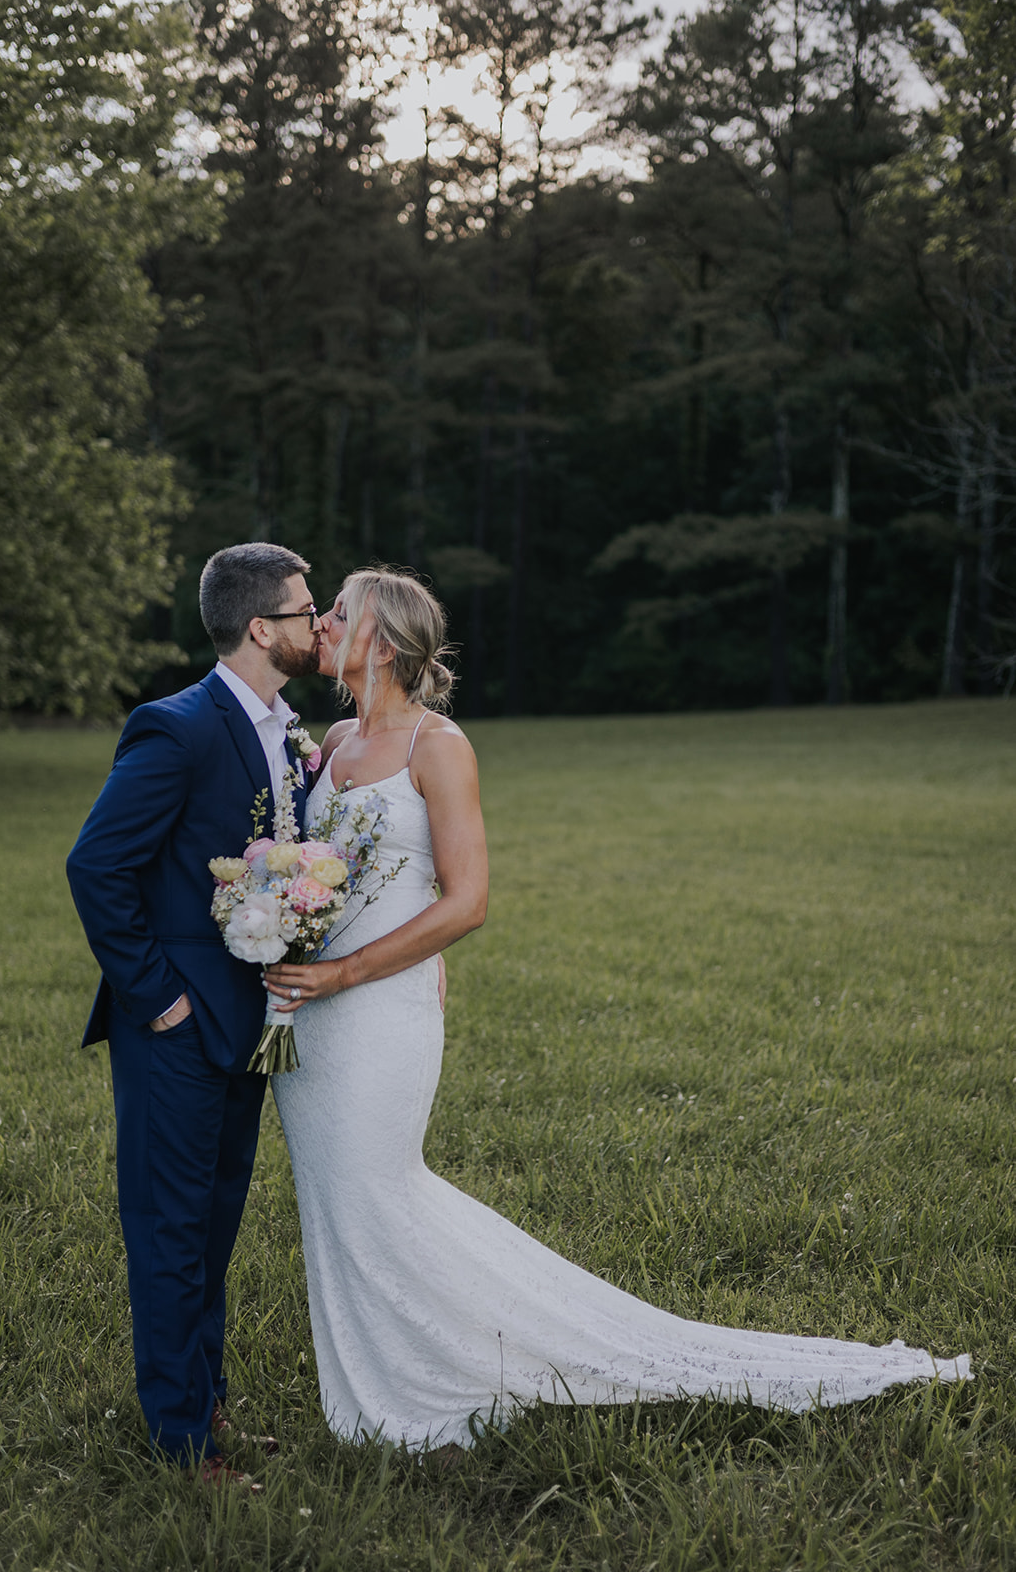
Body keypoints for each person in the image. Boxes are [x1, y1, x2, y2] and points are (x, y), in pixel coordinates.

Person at [264, 566, 971, 1456]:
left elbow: (467, 900)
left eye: (338, 612)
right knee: (337, 1201)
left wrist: (350, 972)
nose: (321, 622)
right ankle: (384, 1378)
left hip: (373, 1011)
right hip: (314, 1017)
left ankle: (461, 1375)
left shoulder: (436, 748)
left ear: (386, 643)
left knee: (379, 1190)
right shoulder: (328, 741)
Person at [67, 542, 319, 1486]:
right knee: (171, 1231)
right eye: (305, 609)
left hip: (246, 1022)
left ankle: (205, 1410)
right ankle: (177, 1445)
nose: (317, 622)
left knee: (212, 1228)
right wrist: (157, 1000)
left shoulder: (284, 731)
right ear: (262, 627)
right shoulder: (175, 726)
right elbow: (96, 866)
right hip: (174, 1027)